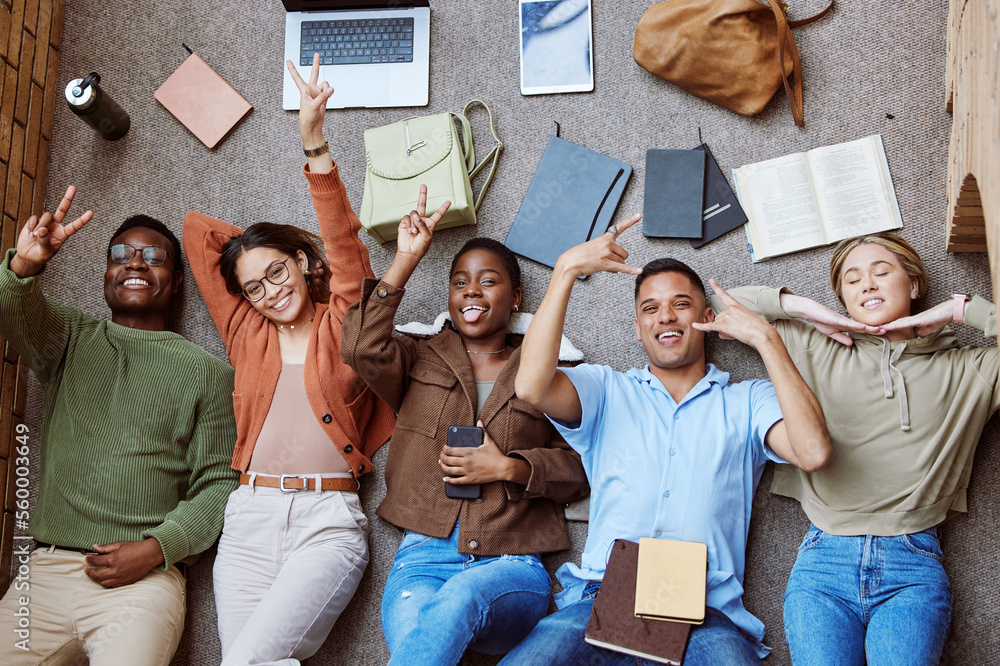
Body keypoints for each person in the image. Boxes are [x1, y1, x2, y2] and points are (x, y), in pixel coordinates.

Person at [501, 215, 832, 665]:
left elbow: (813, 452)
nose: (666, 317)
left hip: (704, 613)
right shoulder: (607, 389)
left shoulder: (748, 400)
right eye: (651, 309)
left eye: (680, 304)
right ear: (638, 328)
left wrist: (766, 339)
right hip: (599, 600)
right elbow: (531, 387)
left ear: (708, 320)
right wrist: (565, 271)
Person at [182, 55, 395, 665]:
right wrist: (247, 255)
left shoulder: (343, 320)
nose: (270, 291)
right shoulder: (244, 328)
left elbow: (345, 248)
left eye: (278, 270)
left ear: (302, 262)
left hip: (327, 523)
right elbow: (199, 232)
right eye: (254, 286)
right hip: (249, 518)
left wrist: (314, 142)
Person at [712, 232, 999, 665]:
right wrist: (812, 312)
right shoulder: (813, 347)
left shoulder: (969, 369)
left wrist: (959, 310)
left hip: (912, 564)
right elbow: (718, 306)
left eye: (882, 272)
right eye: (852, 279)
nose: (867, 284)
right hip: (823, 561)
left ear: (914, 285)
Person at [340, 191, 590, 666]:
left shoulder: (547, 373)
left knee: (457, 603)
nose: (471, 290)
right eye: (460, 282)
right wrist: (405, 259)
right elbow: (357, 348)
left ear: (515, 298)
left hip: (511, 563)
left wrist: (509, 468)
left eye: (488, 281)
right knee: (420, 644)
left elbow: (579, 470)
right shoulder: (418, 355)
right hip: (423, 559)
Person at [0, 189, 238, 666]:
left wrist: (156, 548)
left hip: (142, 580)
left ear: (175, 284)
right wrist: (24, 267)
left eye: (154, 257)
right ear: (106, 275)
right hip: (44, 573)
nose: (135, 263)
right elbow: (14, 313)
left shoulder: (210, 373)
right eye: (121, 255)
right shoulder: (69, 337)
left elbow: (219, 485)